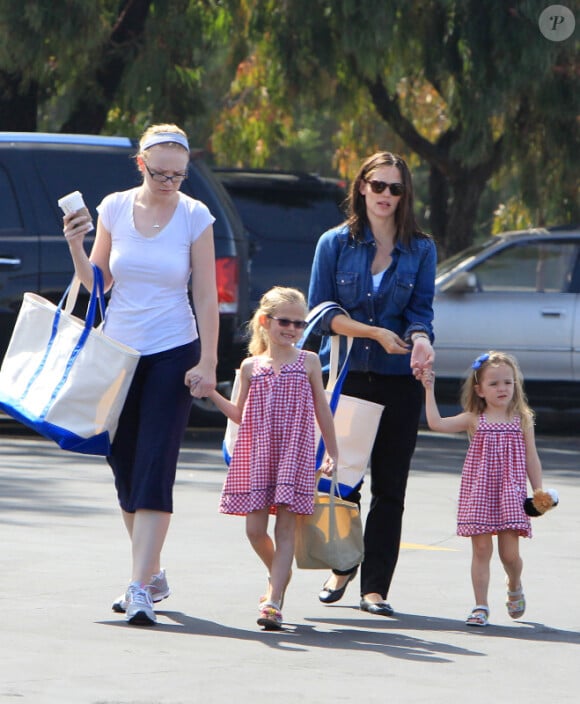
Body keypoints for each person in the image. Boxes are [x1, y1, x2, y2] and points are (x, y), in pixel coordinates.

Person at [62, 123, 219, 626]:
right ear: (141, 165)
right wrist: (76, 246)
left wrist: (209, 361)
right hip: (120, 352)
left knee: (155, 463)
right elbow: (97, 284)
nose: (170, 182)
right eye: (160, 174)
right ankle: (150, 571)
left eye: (179, 174)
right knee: (124, 463)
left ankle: (137, 586)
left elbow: (207, 296)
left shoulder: (195, 215)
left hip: (174, 350)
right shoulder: (113, 207)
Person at [308, 151, 436, 616]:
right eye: (377, 186)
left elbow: (421, 312)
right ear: (361, 187)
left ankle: (375, 588)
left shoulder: (421, 249)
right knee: (343, 478)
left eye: (395, 188)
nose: (385, 196)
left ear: (405, 195)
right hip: (346, 375)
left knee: (391, 486)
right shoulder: (335, 243)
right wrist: (373, 332)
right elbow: (321, 315)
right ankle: (342, 564)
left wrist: (421, 340)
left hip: (398, 378)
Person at [208, 286, 338, 630]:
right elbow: (238, 414)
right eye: (285, 322)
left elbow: (323, 411)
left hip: (294, 454)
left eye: (299, 323)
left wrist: (331, 453)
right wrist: (210, 393)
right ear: (266, 321)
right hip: (258, 453)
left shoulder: (308, 361)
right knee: (254, 530)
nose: (292, 329)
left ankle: (274, 599)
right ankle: (280, 573)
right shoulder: (250, 367)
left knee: (285, 532)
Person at [421, 351, 544, 626]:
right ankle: (480, 605)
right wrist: (429, 389)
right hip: (480, 491)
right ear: (479, 389)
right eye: (494, 384)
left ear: (516, 385)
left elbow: (531, 457)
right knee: (481, 550)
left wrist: (538, 491)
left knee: (509, 554)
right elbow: (436, 424)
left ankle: (514, 583)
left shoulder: (522, 419)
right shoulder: (474, 418)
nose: (502, 389)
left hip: (510, 492)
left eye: (508, 383)